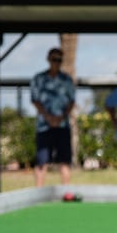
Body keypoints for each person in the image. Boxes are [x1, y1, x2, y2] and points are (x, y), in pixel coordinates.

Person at [31, 47, 75, 187]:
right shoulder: (38, 79)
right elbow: (35, 100)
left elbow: (71, 101)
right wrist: (48, 118)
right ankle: (38, 193)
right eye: (54, 59)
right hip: (44, 126)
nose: (56, 62)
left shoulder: (67, 80)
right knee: (41, 162)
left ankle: (66, 193)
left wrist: (60, 118)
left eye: (59, 60)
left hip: (63, 126)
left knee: (64, 161)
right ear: (48, 59)